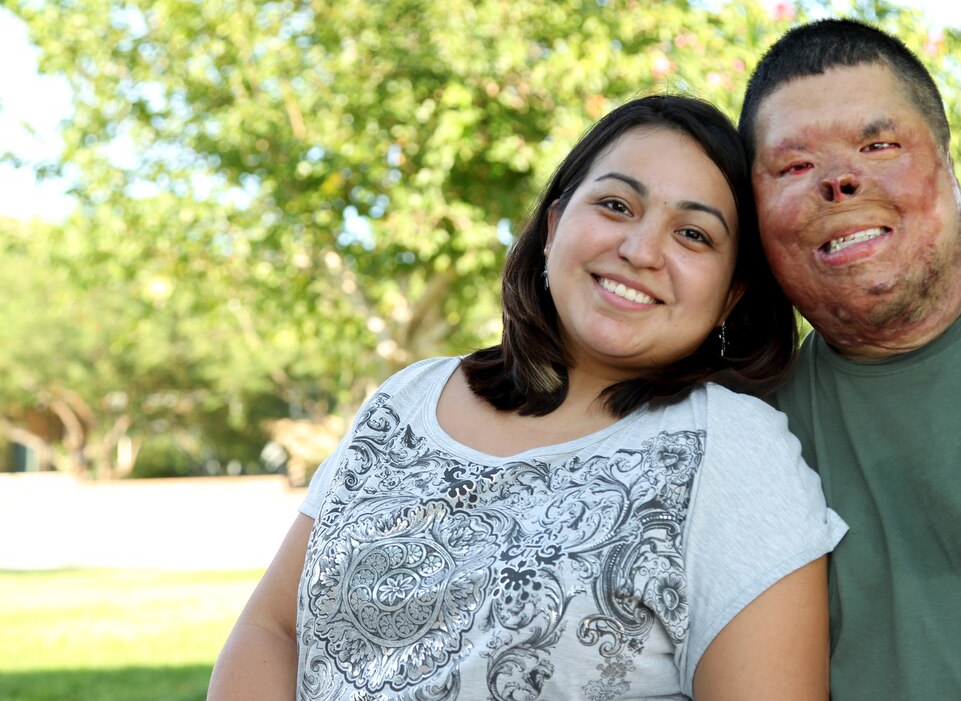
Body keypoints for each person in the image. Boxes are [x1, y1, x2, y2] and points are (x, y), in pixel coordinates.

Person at [208, 94, 846, 700]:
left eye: (694, 235)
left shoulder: (734, 453)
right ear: (553, 226)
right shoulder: (408, 397)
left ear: (730, 296)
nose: (640, 250)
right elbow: (273, 627)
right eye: (618, 206)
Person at [738, 18, 961, 699]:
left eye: (878, 143)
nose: (840, 179)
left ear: (947, 162)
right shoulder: (747, 426)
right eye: (795, 165)